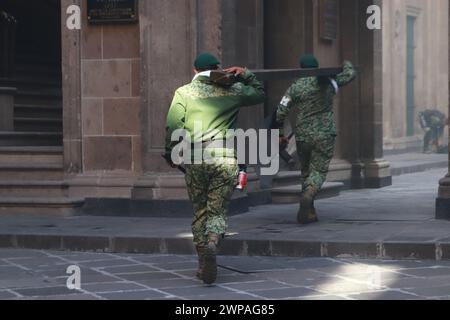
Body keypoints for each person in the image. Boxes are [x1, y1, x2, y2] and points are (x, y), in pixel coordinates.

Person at [164, 52, 265, 285]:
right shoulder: (233, 90)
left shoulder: (184, 92)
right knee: (217, 210)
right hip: (225, 158)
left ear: (194, 71)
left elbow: (173, 125)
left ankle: (203, 262)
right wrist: (246, 74)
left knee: (200, 210)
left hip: (196, 158)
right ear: (219, 69)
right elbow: (260, 94)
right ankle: (212, 241)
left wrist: (171, 153)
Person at [274, 54, 356, 224]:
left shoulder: (294, 87)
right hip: (324, 134)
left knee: (306, 172)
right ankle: (308, 195)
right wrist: (346, 62)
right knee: (318, 172)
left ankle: (307, 212)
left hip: (303, 135)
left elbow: (280, 111)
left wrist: (280, 134)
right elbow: (350, 74)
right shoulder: (326, 83)